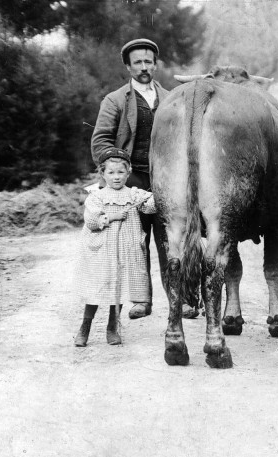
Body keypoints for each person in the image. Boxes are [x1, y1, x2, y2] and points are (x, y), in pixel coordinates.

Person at [90, 38, 198, 319]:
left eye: (148, 61)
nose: (144, 67)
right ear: (128, 66)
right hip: (132, 180)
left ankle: (182, 300)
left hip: (166, 181)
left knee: (173, 240)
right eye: (137, 62)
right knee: (136, 242)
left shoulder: (172, 98)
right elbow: (100, 141)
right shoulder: (114, 101)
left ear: (155, 64)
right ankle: (141, 300)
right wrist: (116, 168)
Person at [74, 149, 156, 347]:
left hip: (124, 249)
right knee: (97, 287)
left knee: (118, 288)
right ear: (102, 174)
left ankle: (113, 327)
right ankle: (85, 327)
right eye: (111, 173)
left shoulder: (133, 194)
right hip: (102, 250)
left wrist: (159, 193)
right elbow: (92, 221)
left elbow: (151, 206)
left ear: (128, 173)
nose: (116, 177)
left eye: (121, 172)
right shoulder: (97, 196)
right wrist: (112, 217)